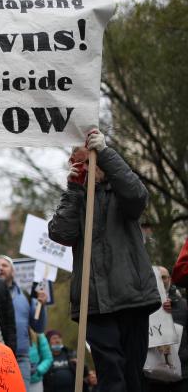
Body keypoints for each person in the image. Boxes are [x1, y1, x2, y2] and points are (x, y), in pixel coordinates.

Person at [48, 130, 161, 392]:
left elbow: (137, 197)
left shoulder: (120, 192)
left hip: (131, 296)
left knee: (132, 374)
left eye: (88, 161)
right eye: (77, 163)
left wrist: (108, 154)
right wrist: (74, 189)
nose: (84, 168)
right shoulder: (77, 200)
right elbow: (60, 233)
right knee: (111, 375)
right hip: (94, 303)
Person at [0, 254, 48, 389]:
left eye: (4, 265)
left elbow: (39, 327)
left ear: (13, 271)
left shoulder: (25, 296)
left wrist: (41, 307)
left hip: (21, 358)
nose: (0, 268)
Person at [147, 266, 188, 391]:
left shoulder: (184, 305)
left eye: (163, 277)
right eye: (157, 277)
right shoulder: (144, 305)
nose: (160, 280)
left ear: (170, 279)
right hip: (152, 374)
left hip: (183, 372)